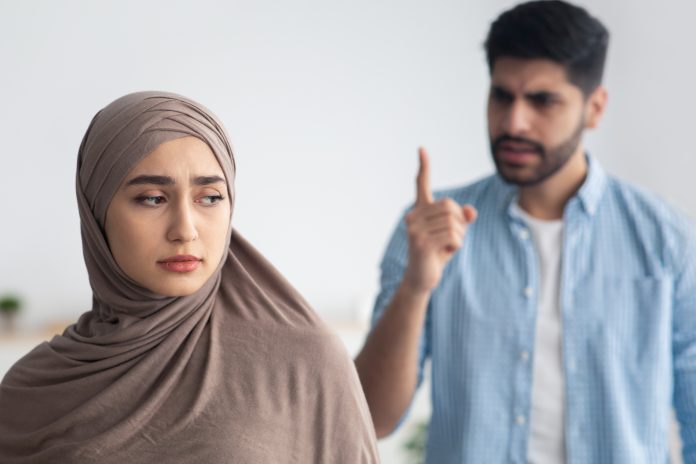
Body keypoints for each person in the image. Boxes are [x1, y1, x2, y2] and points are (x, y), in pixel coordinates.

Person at [355, 1, 696, 463]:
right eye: (502, 96)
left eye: (543, 101)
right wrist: (416, 287)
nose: (514, 122)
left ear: (594, 108)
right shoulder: (428, 231)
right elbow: (370, 417)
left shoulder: (666, 238)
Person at [0, 91, 380, 463]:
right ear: (97, 212)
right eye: (152, 198)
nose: (185, 229)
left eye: (210, 197)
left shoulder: (305, 358)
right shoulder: (34, 389)